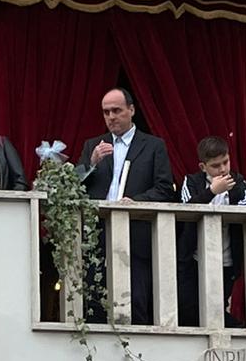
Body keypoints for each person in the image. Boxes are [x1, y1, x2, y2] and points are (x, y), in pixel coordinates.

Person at [75, 88, 175, 326]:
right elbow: (74, 185)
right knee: (94, 304)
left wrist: (137, 201)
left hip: (135, 233)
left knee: (135, 303)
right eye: (106, 112)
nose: (111, 117)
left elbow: (164, 189)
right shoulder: (92, 146)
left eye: (116, 110)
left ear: (131, 110)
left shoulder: (153, 145)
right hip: (97, 235)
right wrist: (91, 163)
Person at [177, 135, 246, 327]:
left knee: (217, 307)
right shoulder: (192, 181)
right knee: (188, 306)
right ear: (203, 167)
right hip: (194, 257)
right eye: (215, 165)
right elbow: (186, 208)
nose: (222, 169)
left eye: (225, 162)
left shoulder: (239, 183)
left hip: (226, 259)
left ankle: (238, 330)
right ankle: (239, 328)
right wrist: (212, 192)